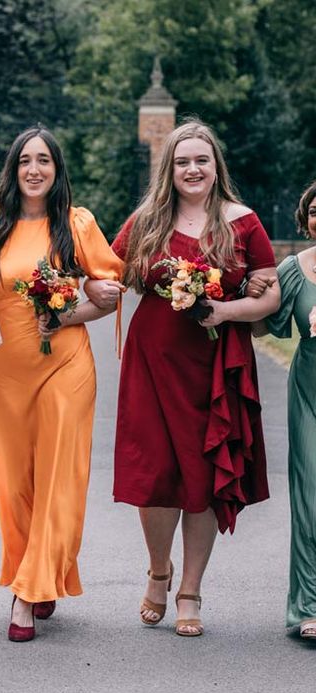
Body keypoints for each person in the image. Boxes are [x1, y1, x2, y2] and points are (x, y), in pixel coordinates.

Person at [111, 119, 280, 637]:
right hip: (152, 362)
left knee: (203, 475)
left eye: (201, 160)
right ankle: (157, 572)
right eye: (182, 161)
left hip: (214, 366)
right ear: (170, 169)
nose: (192, 169)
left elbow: (268, 295)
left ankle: (190, 591)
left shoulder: (243, 222)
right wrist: (57, 305)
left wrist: (227, 313)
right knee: (156, 474)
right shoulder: (148, 221)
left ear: (215, 166)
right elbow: (109, 277)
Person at [0, 126, 125, 642]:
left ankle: (27, 593)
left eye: (44, 161)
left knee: (59, 475)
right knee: (14, 484)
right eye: (25, 161)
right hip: (3, 371)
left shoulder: (76, 224)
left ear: (57, 171)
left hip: (65, 366)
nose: (34, 170)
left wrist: (70, 311)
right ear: (12, 169)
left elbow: (109, 294)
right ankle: (40, 569)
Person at [254, 181, 316, 639]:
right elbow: (264, 326)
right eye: (315, 211)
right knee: (311, 498)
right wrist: (243, 290)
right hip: (309, 394)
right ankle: (309, 606)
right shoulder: (293, 270)